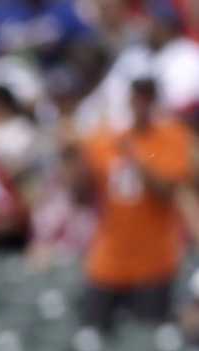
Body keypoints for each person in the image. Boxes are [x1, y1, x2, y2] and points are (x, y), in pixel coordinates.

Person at [74, 71, 197, 331]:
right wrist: (75, 161)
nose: (141, 104)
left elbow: (167, 190)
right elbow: (81, 196)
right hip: (107, 260)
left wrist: (136, 157)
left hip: (154, 262)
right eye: (137, 97)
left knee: (149, 338)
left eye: (147, 97)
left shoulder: (173, 136)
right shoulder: (104, 138)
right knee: (94, 335)